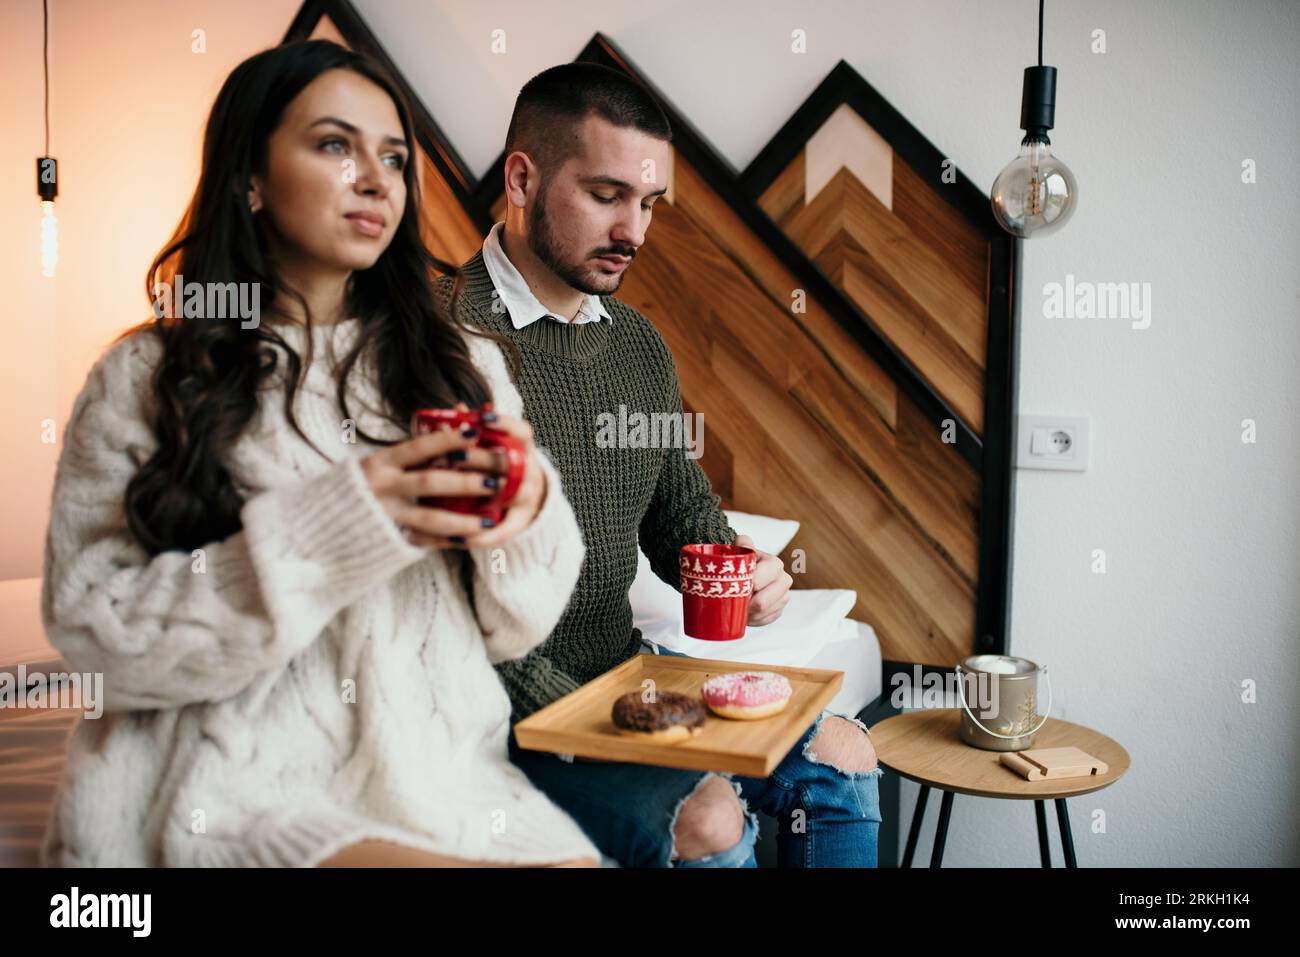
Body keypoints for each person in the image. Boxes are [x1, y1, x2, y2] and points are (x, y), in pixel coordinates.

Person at [38, 40, 598, 868]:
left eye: (394, 157)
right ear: (249, 177)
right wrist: (340, 522)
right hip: (226, 792)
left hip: (447, 782)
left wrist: (520, 516)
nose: (376, 179)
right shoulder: (148, 378)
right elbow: (95, 639)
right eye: (335, 145)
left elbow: (518, 628)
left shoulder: (458, 364)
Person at [435, 62, 884, 868]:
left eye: (647, 204)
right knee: (710, 817)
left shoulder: (638, 345)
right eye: (607, 195)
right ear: (522, 178)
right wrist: (609, 723)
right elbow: (439, 604)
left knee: (844, 754)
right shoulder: (438, 342)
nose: (635, 231)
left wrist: (741, 571)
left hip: (618, 671)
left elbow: (678, 509)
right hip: (494, 704)